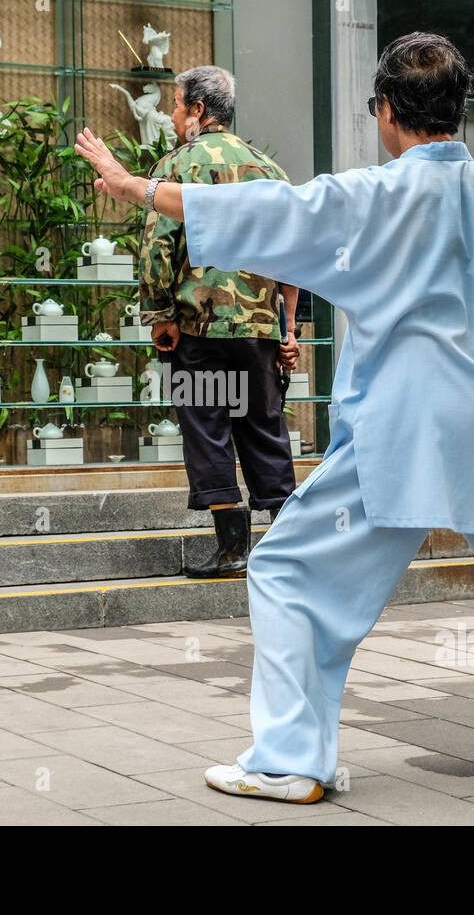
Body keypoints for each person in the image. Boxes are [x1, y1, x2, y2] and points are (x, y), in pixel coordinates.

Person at [75, 32, 474, 805]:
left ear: (385, 111)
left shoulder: (368, 198)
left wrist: (133, 184)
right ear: (458, 110)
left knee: (285, 574)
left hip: (402, 433)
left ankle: (289, 761)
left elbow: (259, 213)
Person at [136, 65, 301, 579]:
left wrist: (160, 315)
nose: (172, 114)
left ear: (198, 111)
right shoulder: (268, 169)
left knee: (207, 429)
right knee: (263, 428)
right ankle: (291, 546)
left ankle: (233, 549)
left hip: (199, 329)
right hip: (257, 329)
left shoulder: (176, 167)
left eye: (177, 105)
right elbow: (293, 255)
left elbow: (158, 247)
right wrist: (286, 328)